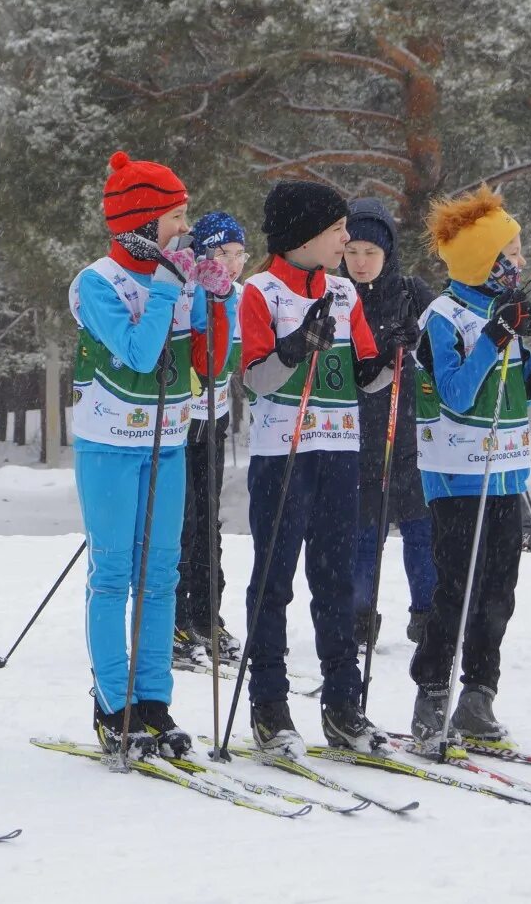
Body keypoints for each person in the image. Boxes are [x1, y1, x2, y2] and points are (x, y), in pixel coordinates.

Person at [238, 181, 413, 756]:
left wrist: (392, 353)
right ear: (305, 235)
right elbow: (255, 378)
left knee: (336, 582)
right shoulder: (259, 292)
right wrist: (294, 349)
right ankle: (270, 706)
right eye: (338, 229)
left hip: (340, 452)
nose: (347, 238)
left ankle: (343, 706)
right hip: (282, 456)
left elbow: (365, 375)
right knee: (275, 581)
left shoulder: (342, 291)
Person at [69, 151, 232, 758]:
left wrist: (220, 300)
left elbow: (212, 366)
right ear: (141, 223)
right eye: (176, 217)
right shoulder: (96, 282)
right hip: (109, 445)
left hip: (166, 444)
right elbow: (138, 353)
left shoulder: (182, 275)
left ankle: (155, 705)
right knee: (113, 575)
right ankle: (114, 706)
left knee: (162, 577)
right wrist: (170, 286)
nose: (185, 230)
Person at [408, 184, 531, 748]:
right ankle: (431, 694)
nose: (521, 261)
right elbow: (455, 393)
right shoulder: (444, 317)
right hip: (454, 475)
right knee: (456, 588)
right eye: (512, 252)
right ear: (484, 260)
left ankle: (479, 696)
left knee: (499, 589)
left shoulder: (507, 312)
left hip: (505, 472)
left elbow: (519, 393)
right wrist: (496, 337)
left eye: (519, 251)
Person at [340, 198, 435, 647]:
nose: (360, 262)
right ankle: (359, 613)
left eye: (370, 253)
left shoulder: (412, 291)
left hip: (410, 429)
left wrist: (417, 338)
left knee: (420, 527)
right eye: (352, 250)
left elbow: (441, 348)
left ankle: (427, 611)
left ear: (388, 253)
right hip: (356, 432)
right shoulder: (333, 295)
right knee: (364, 533)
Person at [173, 211, 246, 665]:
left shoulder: (235, 293)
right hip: (178, 422)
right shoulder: (188, 290)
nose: (233, 264)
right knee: (183, 522)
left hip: (213, 420)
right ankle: (175, 619)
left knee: (209, 521)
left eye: (239, 254)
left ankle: (206, 615)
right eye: (223, 253)